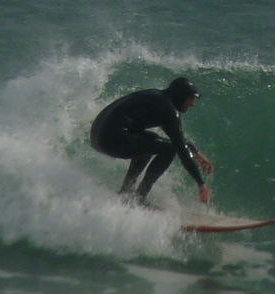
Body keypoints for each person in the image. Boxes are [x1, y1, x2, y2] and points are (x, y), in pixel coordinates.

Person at [89, 76, 215, 205]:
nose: (192, 103)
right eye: (190, 98)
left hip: (98, 136)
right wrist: (201, 185)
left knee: (151, 142)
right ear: (181, 96)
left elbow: (178, 138)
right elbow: (180, 148)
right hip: (110, 139)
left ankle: (126, 193)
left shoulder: (157, 99)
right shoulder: (167, 109)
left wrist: (197, 153)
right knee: (169, 149)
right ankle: (139, 198)